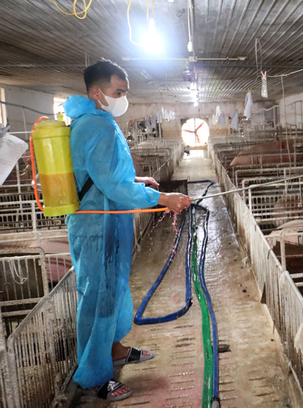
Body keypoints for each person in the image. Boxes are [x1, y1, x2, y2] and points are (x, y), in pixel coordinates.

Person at [63, 59, 192, 402]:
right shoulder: (98, 127)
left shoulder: (95, 121)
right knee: (98, 297)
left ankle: (115, 348)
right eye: (118, 92)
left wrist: (136, 180)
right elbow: (113, 186)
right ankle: (93, 376)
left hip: (106, 217)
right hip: (97, 222)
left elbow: (102, 174)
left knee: (114, 289)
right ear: (96, 92)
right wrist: (163, 197)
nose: (123, 98)